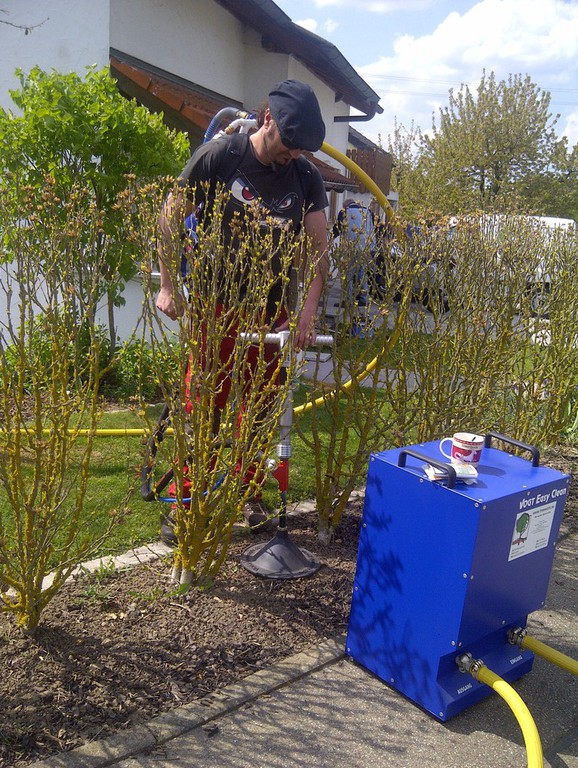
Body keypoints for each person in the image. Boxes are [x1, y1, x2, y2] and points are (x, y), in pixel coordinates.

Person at [155, 79, 329, 538]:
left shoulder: (305, 176)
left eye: (303, 148)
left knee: (260, 405)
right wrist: (168, 286)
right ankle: (188, 497)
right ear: (267, 118)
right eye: (290, 143)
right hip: (216, 305)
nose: (295, 153)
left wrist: (308, 311)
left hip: (271, 312)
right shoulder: (221, 156)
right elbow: (170, 218)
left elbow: (318, 250)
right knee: (204, 402)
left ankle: (247, 491)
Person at [333, 198, 375, 308]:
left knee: (348, 273)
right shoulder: (368, 212)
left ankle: (348, 299)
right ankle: (364, 298)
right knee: (362, 272)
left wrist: (329, 239)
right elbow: (373, 228)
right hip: (366, 246)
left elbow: (338, 228)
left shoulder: (345, 211)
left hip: (352, 246)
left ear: (346, 205)